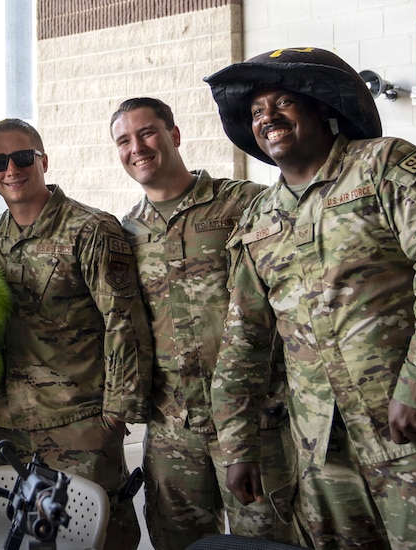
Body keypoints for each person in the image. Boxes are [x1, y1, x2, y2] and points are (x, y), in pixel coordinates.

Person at [205, 46, 416, 548]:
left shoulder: (386, 167)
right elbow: (244, 342)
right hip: (322, 456)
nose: (268, 118)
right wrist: (237, 445)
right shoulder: (259, 219)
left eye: (282, 104)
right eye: (256, 112)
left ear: (321, 107)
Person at [109, 97, 299, 549]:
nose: (137, 146)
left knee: (267, 542)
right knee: (177, 543)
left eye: (147, 132)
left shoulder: (244, 204)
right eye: (123, 140)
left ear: (174, 135)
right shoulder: (124, 233)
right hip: (173, 427)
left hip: (256, 423)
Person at [0, 118, 154, 550]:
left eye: (22, 158)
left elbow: (124, 321)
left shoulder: (90, 229)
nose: (12, 170)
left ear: (43, 161)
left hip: (80, 421)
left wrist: (116, 412)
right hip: (10, 425)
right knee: (22, 537)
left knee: (96, 536)